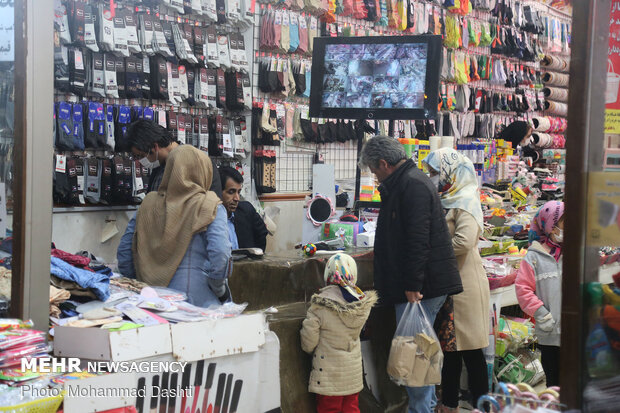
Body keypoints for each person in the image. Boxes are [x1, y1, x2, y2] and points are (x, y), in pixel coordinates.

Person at [358, 136, 463, 413]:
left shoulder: (411, 185)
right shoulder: (407, 181)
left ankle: (421, 410)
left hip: (421, 287)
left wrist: (412, 285)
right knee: (420, 353)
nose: (374, 176)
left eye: (374, 170)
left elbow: (418, 240)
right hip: (420, 285)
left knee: (415, 356)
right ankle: (423, 408)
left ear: (384, 163)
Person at [117, 145, 232, 307]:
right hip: (197, 302)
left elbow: (124, 254)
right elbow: (220, 254)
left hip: (152, 301)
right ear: (204, 171)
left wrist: (142, 285)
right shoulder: (209, 205)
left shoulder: (148, 204)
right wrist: (219, 289)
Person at [423, 149, 490, 412]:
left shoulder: (466, 202)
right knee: (451, 350)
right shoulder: (446, 200)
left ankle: (482, 404)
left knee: (472, 351)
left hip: (466, 287)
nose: (432, 177)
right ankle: (449, 403)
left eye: (435, 172)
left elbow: (464, 241)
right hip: (449, 285)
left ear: (452, 172)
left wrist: (431, 252)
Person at [117, 120, 222, 276]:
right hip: (157, 262)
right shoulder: (159, 168)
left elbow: (211, 217)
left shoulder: (198, 165)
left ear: (154, 146)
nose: (140, 161)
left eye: (140, 156)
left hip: (189, 261)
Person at [300, 253, 377, 413]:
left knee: (329, 409)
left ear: (327, 276)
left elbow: (308, 343)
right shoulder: (361, 306)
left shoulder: (319, 306)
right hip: (352, 375)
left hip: (329, 376)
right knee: (351, 408)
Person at [515, 201, 564, 387]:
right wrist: (542, 314)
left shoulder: (574, 252)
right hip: (549, 331)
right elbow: (523, 289)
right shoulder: (534, 257)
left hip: (574, 330)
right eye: (564, 223)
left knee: (574, 380)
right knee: (554, 381)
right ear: (551, 226)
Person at [219, 166, 269, 251]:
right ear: (218, 191)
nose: (237, 198)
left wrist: (254, 260)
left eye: (238, 192)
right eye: (231, 192)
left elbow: (262, 234)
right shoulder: (210, 218)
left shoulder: (246, 210)